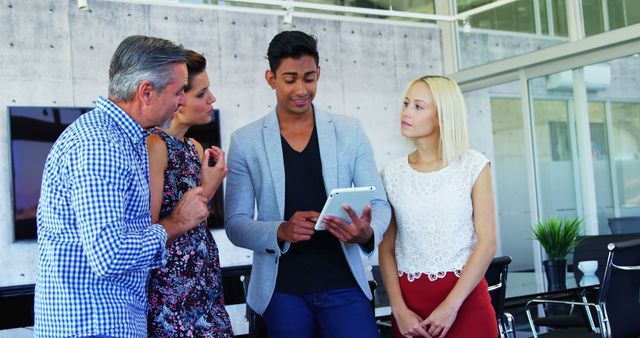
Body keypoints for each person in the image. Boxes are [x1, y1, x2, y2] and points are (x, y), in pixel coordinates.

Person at [34, 35, 211, 338]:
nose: (182, 100)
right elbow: (110, 254)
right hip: (91, 326)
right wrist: (176, 223)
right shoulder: (100, 145)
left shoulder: (123, 139)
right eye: (179, 91)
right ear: (145, 92)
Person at [224, 30, 391, 338]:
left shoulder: (350, 131)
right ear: (271, 78)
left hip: (344, 284)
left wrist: (367, 233)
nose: (301, 89)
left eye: (309, 78)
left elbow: (379, 204)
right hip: (282, 291)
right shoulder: (245, 141)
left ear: (319, 74)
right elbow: (235, 224)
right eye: (290, 79)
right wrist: (280, 230)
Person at [379, 75, 498, 338]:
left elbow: (488, 243)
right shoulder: (390, 174)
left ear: (443, 116)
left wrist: (451, 305)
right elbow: (386, 248)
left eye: (418, 107)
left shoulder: (473, 166)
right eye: (406, 104)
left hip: (466, 304)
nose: (406, 112)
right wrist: (398, 310)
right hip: (411, 313)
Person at [146, 50, 234, 337]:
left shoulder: (194, 147)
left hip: (203, 283)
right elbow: (150, 229)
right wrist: (209, 186)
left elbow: (198, 217)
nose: (212, 99)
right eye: (202, 93)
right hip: (172, 288)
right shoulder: (155, 146)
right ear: (179, 100)